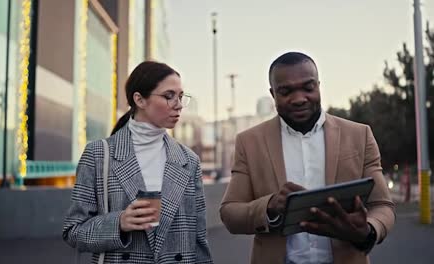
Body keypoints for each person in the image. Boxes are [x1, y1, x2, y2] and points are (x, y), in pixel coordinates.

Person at [220, 52, 395, 264]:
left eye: (308, 87)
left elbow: (382, 205)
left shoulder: (359, 135)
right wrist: (270, 205)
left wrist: (367, 230)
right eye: (286, 91)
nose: (299, 99)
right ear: (273, 93)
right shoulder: (249, 142)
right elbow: (230, 212)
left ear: (319, 85)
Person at [63, 61, 213, 263]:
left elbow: (199, 239)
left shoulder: (188, 160)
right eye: (169, 96)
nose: (178, 105)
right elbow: (74, 231)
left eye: (180, 96)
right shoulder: (98, 154)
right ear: (140, 100)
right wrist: (119, 223)